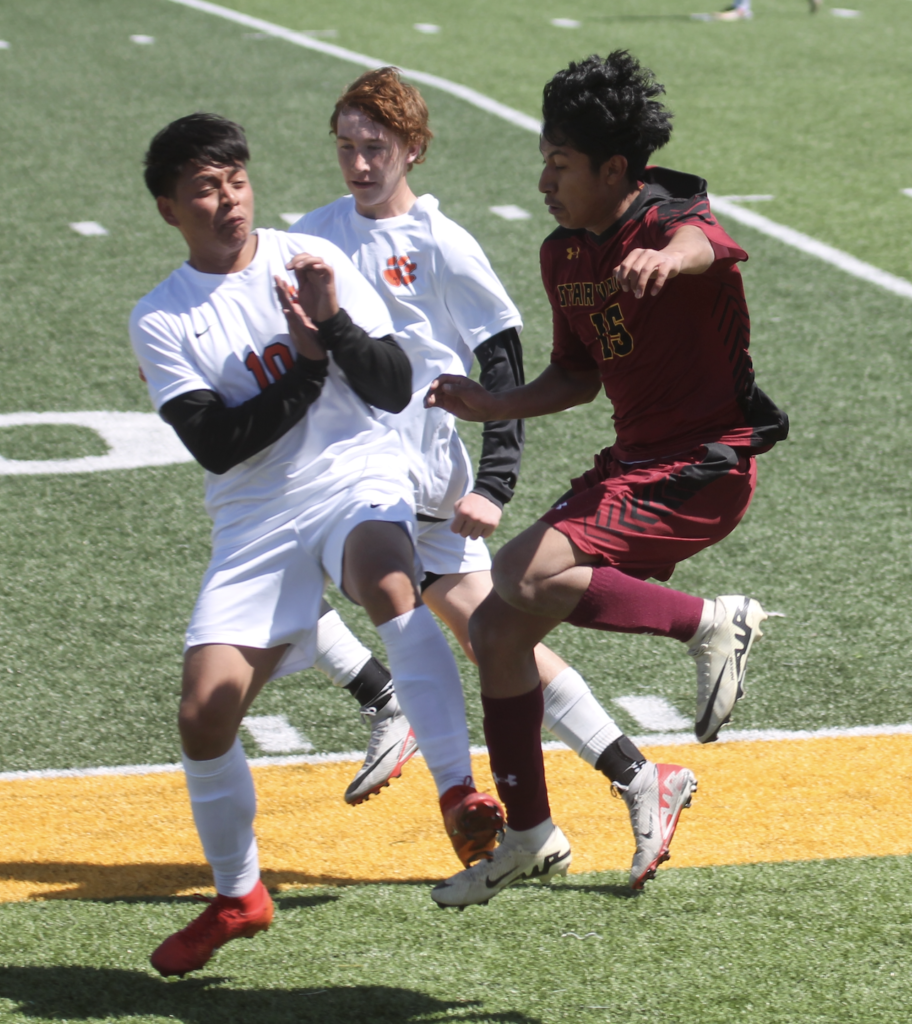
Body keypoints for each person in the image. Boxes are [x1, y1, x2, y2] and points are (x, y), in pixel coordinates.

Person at [291, 67, 698, 894]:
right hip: (361, 468)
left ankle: (386, 700)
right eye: (346, 147)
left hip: (420, 474)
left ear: (414, 148)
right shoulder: (312, 234)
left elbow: (501, 365)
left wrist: (496, 483)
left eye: (376, 147)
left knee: (277, 568)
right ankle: (639, 775)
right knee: (493, 638)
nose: (360, 163)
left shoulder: (442, 242)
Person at [129, 112, 501, 976]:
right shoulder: (161, 317)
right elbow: (219, 444)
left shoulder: (309, 259)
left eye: (236, 181)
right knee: (203, 713)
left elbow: (393, 386)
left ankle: (457, 792)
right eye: (205, 190)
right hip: (254, 517)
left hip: (352, 473)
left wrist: (333, 327)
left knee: (389, 581)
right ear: (170, 210)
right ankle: (240, 895)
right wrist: (303, 368)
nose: (228, 201)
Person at [426, 51, 789, 907]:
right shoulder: (563, 254)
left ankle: (712, 622)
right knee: (496, 631)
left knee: (519, 572)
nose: (544, 181)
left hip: (707, 462)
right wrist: (494, 403)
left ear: (615, 169)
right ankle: (530, 833)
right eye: (544, 160)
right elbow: (578, 375)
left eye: (560, 163)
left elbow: (707, 242)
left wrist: (672, 261)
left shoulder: (669, 217)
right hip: (634, 462)